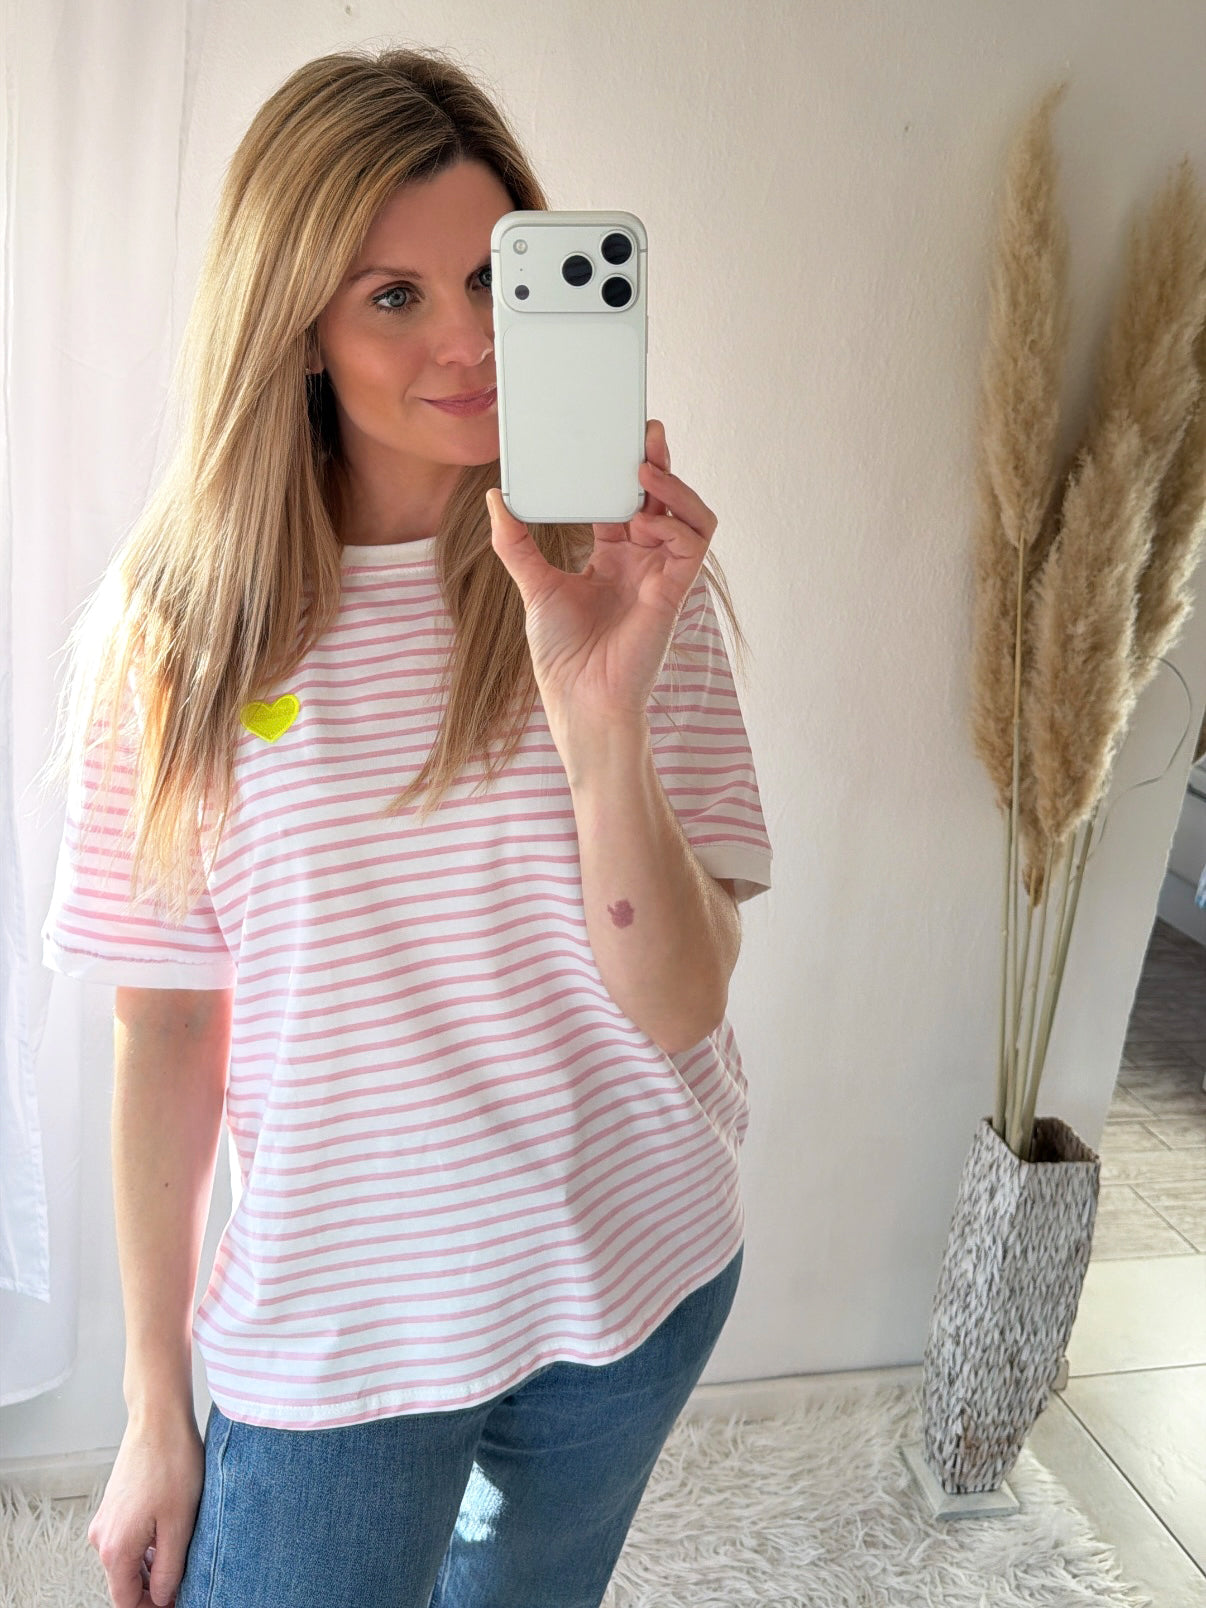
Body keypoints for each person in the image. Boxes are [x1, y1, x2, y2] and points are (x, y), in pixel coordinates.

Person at [40, 43, 773, 1608]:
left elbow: (681, 1003)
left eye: (499, 280)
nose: (471, 342)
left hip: (631, 1273)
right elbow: (166, 1027)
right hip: (339, 1330)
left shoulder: (630, 584)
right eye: (394, 296)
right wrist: (156, 1408)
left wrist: (598, 715)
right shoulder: (182, 639)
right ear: (295, 325)